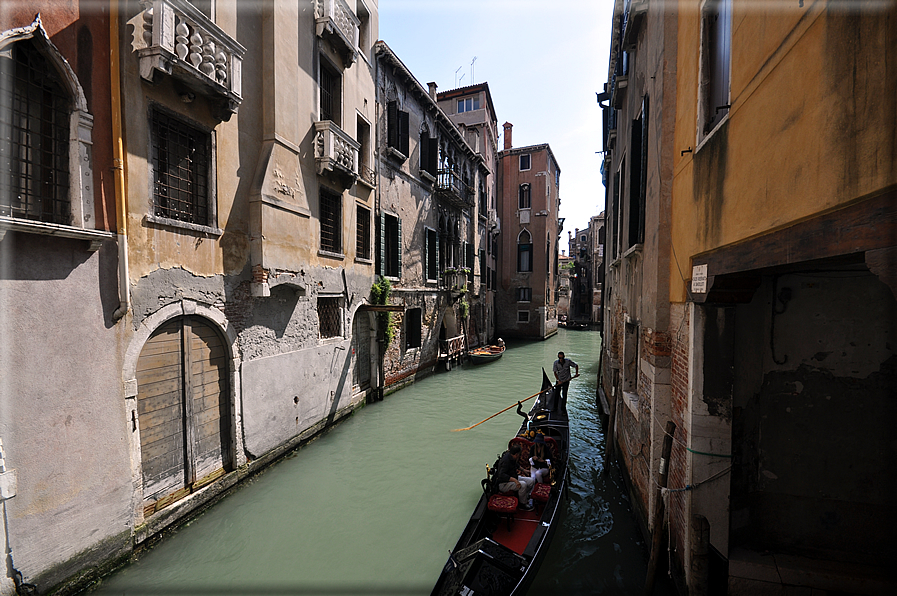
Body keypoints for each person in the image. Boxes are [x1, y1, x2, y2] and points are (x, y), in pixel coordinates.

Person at [496, 442, 535, 510]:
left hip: (513, 477)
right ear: (516, 454)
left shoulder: (511, 457)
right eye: (519, 455)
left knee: (531, 481)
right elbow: (501, 475)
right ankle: (522, 504)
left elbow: (515, 464)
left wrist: (524, 470)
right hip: (504, 484)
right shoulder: (506, 461)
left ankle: (523, 496)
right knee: (523, 485)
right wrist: (515, 481)